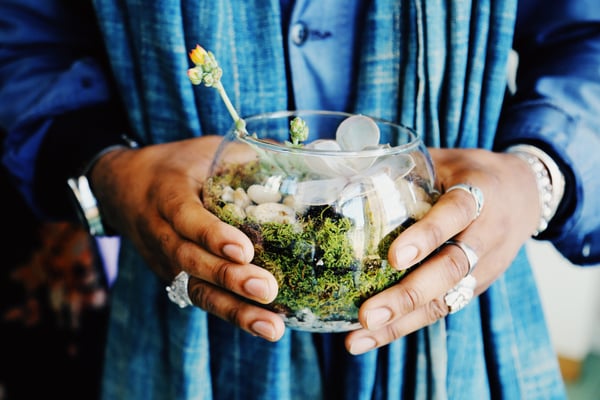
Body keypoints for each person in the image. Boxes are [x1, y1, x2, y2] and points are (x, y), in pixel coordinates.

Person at [1, 0, 599, 399]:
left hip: (460, 328)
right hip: (181, 333)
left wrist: (538, 177)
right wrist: (107, 167)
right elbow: (21, 40)